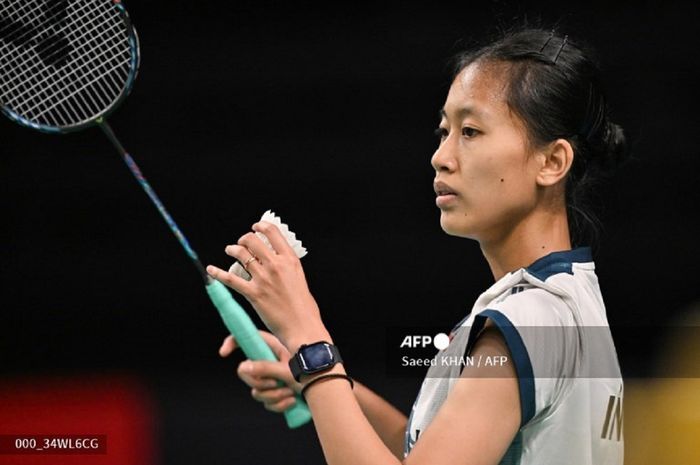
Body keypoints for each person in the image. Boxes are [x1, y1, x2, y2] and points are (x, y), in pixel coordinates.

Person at [206, 26, 626, 465]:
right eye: (444, 130)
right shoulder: (570, 298)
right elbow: (425, 449)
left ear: (552, 162)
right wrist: (321, 384)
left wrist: (309, 341)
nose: (441, 156)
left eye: (471, 131)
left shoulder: (527, 320)